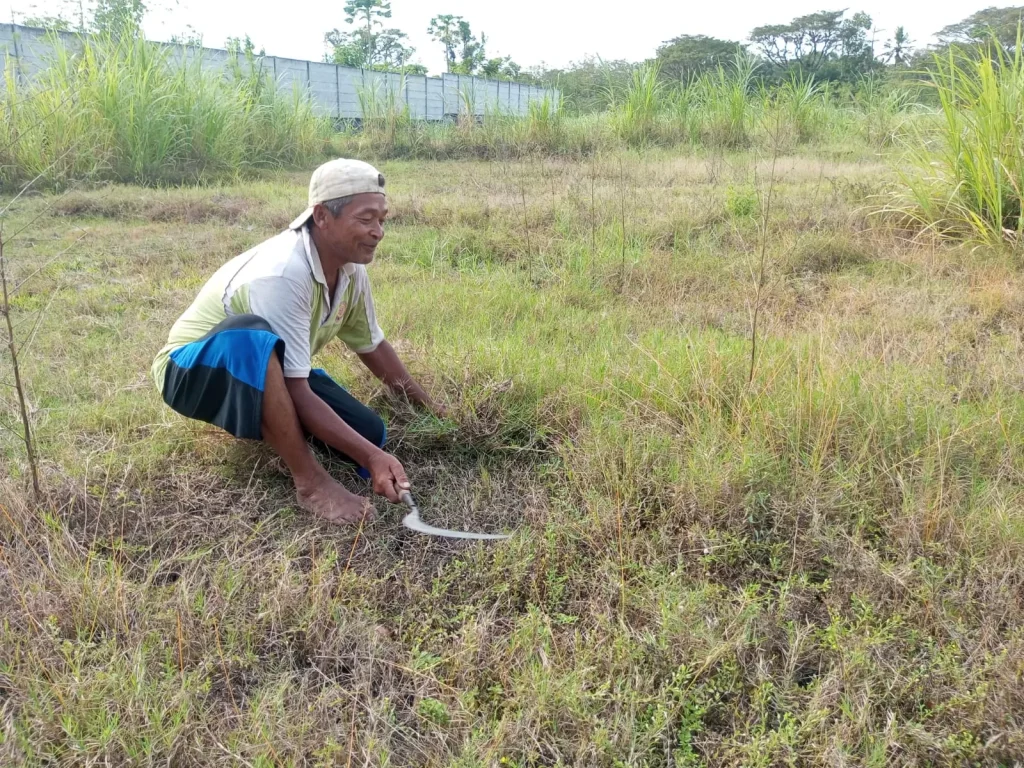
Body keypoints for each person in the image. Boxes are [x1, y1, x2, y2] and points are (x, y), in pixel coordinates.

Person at [151, 158, 445, 525]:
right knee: (249, 336)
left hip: (263, 371)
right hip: (192, 373)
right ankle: (310, 482)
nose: (378, 232)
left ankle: (274, 423)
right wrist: (371, 458)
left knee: (370, 432)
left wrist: (430, 408)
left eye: (382, 220)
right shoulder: (281, 273)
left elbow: (372, 346)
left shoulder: (350, 269)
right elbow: (296, 388)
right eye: (366, 219)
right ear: (322, 216)